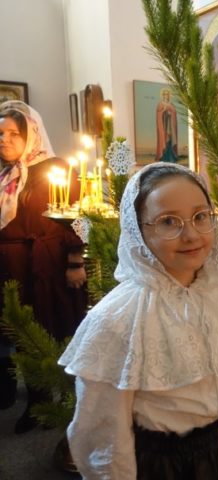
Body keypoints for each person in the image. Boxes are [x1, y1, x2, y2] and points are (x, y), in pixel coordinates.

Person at [58, 163, 218, 479]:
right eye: (168, 221)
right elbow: (104, 428)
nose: (191, 235)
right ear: (138, 230)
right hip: (161, 464)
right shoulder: (119, 318)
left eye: (200, 217)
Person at [0, 101, 87, 433]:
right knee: (23, 333)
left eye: (13, 134)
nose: (4, 140)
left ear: (31, 135)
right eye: (0, 134)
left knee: (56, 328)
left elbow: (77, 218)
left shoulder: (55, 168)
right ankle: (37, 402)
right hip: (10, 266)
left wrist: (76, 261)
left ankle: (70, 401)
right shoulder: (4, 173)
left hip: (46, 264)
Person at [155, 88, 178, 163]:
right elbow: (158, 114)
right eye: (164, 94)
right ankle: (163, 156)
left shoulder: (171, 105)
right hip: (164, 126)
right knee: (164, 139)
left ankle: (171, 156)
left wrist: (170, 114)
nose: (166, 96)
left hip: (170, 126)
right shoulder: (160, 104)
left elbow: (174, 114)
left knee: (170, 139)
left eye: (167, 94)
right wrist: (163, 111)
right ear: (162, 95)